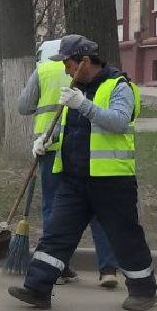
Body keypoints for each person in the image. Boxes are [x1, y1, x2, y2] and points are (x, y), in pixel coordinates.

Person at [8, 35, 157, 311]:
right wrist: (46, 139)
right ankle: (38, 288)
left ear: (85, 62)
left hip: (111, 180)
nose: (65, 69)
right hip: (75, 179)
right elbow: (70, 127)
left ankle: (144, 291)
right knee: (56, 232)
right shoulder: (76, 87)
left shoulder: (119, 86)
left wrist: (83, 105)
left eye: (68, 63)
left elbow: (118, 121)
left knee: (125, 237)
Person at [17, 37, 121, 288]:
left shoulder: (43, 70)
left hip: (53, 148)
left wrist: (43, 135)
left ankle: (59, 267)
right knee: (98, 210)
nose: (65, 68)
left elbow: (23, 107)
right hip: (85, 148)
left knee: (55, 208)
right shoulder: (94, 79)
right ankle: (108, 269)